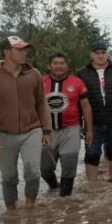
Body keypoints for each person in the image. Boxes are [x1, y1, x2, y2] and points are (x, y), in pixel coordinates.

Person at [0, 36, 51, 210]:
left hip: (32, 130)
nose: (25, 53)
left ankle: (30, 208)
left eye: (25, 49)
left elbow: (41, 103)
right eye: (20, 49)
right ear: (7, 51)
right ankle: (11, 214)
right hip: (3, 133)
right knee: (9, 176)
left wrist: (46, 130)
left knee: (32, 172)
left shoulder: (34, 74)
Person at [41, 53, 94, 196]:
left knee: (69, 166)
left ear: (66, 66)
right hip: (47, 131)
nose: (59, 66)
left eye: (62, 63)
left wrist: (89, 130)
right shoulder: (40, 82)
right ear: (49, 66)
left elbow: (86, 107)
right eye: (55, 63)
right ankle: (54, 187)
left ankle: (65, 200)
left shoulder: (77, 82)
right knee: (45, 168)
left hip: (71, 129)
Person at [76, 41, 112, 183]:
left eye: (103, 53)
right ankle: (92, 186)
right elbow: (78, 100)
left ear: (107, 54)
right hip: (93, 121)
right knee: (91, 153)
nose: (100, 56)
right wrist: (79, 124)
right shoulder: (82, 73)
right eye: (97, 53)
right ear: (91, 55)